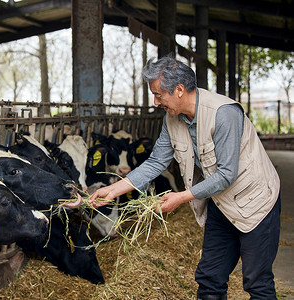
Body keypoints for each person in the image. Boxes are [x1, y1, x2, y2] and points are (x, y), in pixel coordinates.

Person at [89, 56, 281, 300]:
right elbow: (156, 162)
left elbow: (226, 174)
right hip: (221, 204)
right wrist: (113, 190)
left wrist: (180, 197)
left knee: (257, 282)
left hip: (256, 204)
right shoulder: (172, 119)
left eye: (159, 95)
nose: (156, 102)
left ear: (179, 90)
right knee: (209, 277)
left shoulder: (224, 114)